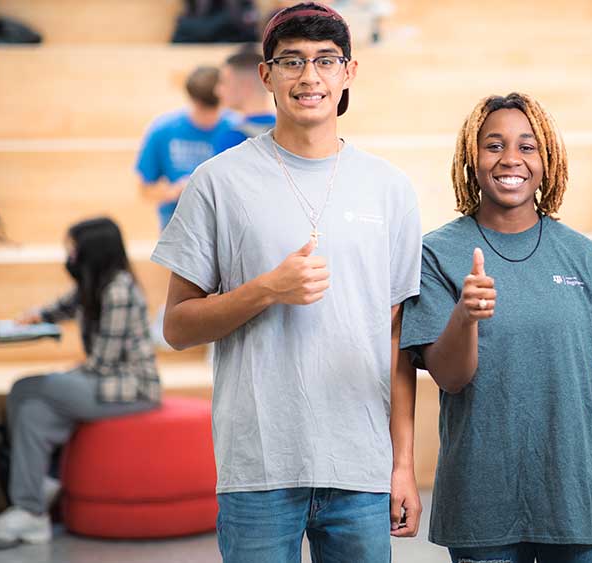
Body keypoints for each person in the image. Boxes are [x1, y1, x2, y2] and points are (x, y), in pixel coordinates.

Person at [150, 4, 422, 562]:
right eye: (291, 61)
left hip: (361, 467)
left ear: (348, 72)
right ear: (266, 75)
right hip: (258, 465)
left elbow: (396, 340)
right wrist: (267, 289)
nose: (309, 76)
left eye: (326, 61)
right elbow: (176, 326)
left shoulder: (389, 188)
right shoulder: (218, 181)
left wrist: (402, 464)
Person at [401, 92, 592, 563]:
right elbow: (451, 378)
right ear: (470, 160)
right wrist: (465, 314)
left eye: (527, 146)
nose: (510, 159)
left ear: (547, 160)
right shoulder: (436, 254)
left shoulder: (583, 255)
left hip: (582, 504)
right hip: (482, 507)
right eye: (493, 146)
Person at [0, 218, 161, 544]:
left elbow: (102, 365)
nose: (70, 257)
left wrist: (63, 378)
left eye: (74, 250)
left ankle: (37, 490)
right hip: (105, 383)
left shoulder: (118, 289)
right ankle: (31, 510)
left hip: (131, 388)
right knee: (34, 412)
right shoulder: (95, 283)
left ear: (93, 252)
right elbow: (60, 308)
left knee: (27, 387)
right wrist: (35, 316)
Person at [136, 65, 233, 231]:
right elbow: (145, 188)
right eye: (203, 110)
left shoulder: (236, 128)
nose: (208, 119)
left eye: (214, 110)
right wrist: (174, 192)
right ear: (192, 100)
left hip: (224, 221)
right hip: (177, 221)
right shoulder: (163, 129)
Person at [212, 46, 277, 154]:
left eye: (224, 82)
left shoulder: (232, 139)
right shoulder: (291, 133)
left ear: (246, 86)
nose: (217, 90)